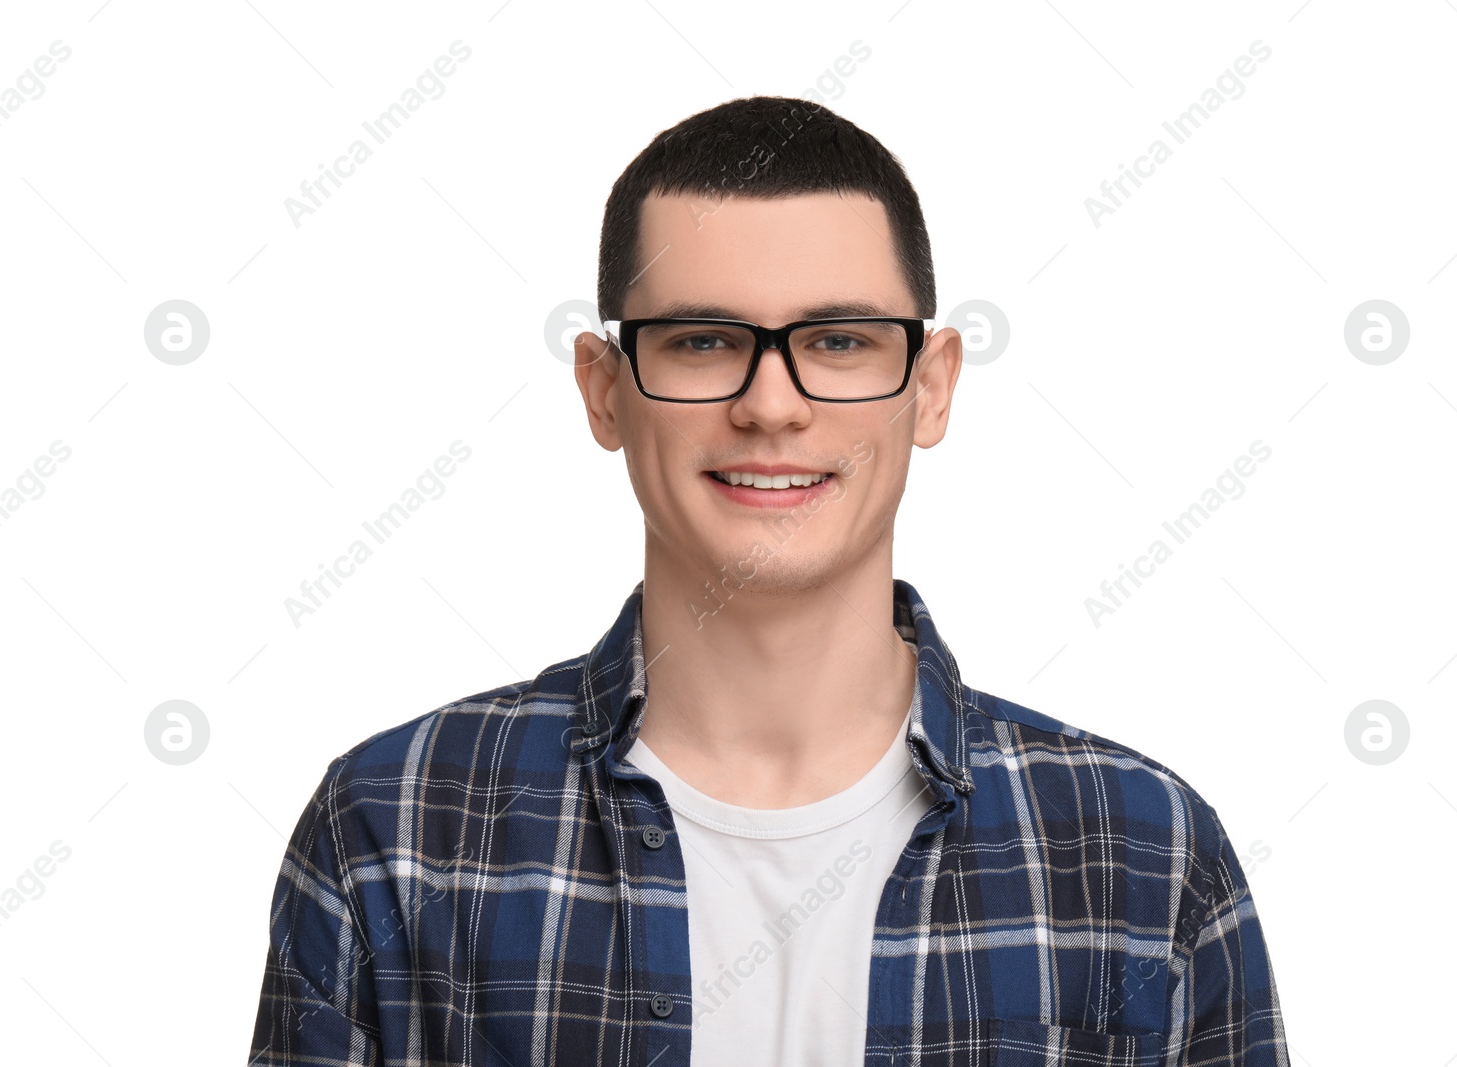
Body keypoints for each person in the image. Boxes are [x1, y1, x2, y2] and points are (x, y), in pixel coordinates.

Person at [249, 95, 1289, 1066]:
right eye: (704, 341)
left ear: (930, 390)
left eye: (838, 340)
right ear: (604, 393)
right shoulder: (392, 828)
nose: (771, 404)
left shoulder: (1142, 855)